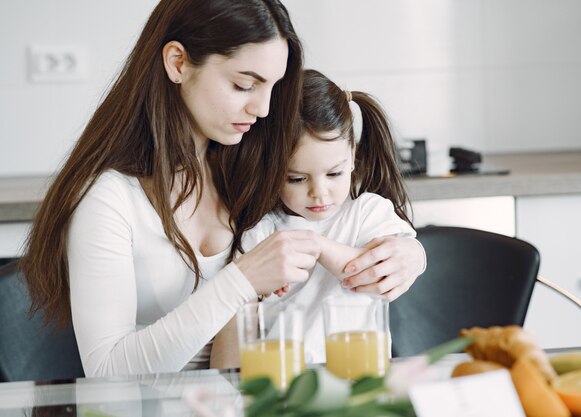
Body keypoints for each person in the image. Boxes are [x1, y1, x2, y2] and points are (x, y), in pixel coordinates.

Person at [20, 0, 423, 377]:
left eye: (272, 88)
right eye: (245, 85)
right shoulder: (110, 199)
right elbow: (108, 372)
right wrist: (241, 280)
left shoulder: (248, 160)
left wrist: (409, 254)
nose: (263, 109)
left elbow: (341, 212)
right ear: (178, 62)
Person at [213, 69, 427, 365]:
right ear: (272, 169)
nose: (319, 193)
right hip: (284, 383)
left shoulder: (367, 212)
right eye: (297, 179)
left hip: (358, 374)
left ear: (352, 156)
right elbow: (235, 335)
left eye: (334, 173)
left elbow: (367, 271)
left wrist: (316, 245)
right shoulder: (262, 230)